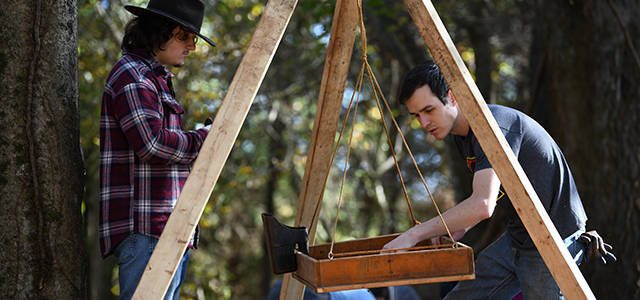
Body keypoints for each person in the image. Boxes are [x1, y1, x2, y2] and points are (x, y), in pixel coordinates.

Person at [382, 60, 610, 299]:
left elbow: (483, 204)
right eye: (416, 115)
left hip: (553, 240)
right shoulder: (462, 136)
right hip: (519, 237)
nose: (424, 123)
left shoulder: (493, 128)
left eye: (429, 110)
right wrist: (461, 226)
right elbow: (493, 192)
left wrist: (413, 235)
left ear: (452, 97)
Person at [99, 0, 216, 299]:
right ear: (157, 32)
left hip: (164, 231)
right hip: (148, 232)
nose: (192, 45)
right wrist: (203, 138)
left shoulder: (153, 77)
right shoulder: (134, 76)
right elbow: (152, 145)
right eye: (184, 35)